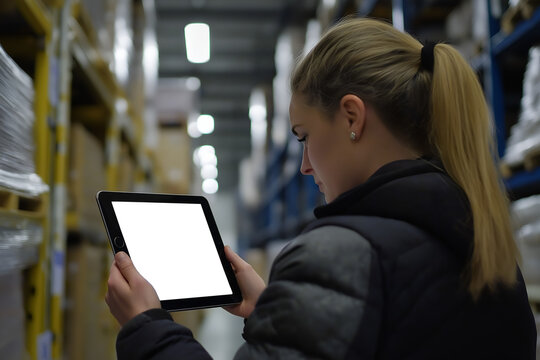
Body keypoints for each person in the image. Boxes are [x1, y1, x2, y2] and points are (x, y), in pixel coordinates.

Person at [106, 18, 537, 359]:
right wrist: (274, 310)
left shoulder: (340, 254)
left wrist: (148, 327)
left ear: (352, 117)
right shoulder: (485, 242)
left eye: (303, 136)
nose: (307, 166)